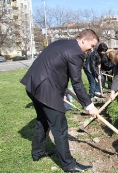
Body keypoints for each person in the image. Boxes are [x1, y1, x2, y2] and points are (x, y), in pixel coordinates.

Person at [20, 29, 99, 172]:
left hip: (33, 84)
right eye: (92, 45)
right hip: (46, 90)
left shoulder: (62, 43)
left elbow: (55, 68)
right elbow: (77, 83)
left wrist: (61, 91)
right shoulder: (76, 53)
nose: (92, 49)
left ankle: (37, 152)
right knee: (60, 128)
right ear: (84, 40)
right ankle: (69, 164)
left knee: (43, 120)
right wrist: (89, 105)